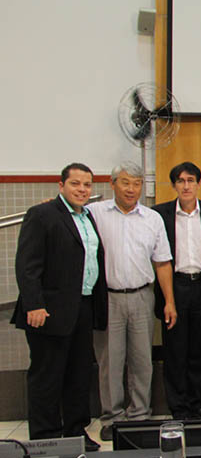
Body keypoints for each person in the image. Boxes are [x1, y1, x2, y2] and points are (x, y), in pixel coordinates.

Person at [12, 163, 106, 451]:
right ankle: (44, 438)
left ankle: (75, 432)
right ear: (61, 185)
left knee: (78, 374)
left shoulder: (88, 217)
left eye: (87, 185)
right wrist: (35, 304)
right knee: (47, 376)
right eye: (76, 183)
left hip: (82, 306)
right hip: (48, 312)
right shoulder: (42, 215)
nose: (82, 189)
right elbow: (27, 265)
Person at [88, 162, 176, 441]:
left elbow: (162, 263)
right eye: (125, 182)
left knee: (141, 360)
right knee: (110, 361)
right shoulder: (95, 213)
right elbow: (66, 216)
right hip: (108, 299)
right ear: (113, 184)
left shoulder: (152, 218)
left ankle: (140, 416)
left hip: (142, 296)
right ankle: (112, 418)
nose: (131, 189)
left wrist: (169, 301)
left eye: (137, 183)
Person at [152, 162, 201, 420]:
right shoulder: (159, 214)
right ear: (174, 185)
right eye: (180, 181)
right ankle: (179, 408)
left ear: (198, 184)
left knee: (199, 351)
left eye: (190, 180)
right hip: (175, 287)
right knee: (175, 351)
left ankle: (198, 405)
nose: (186, 185)